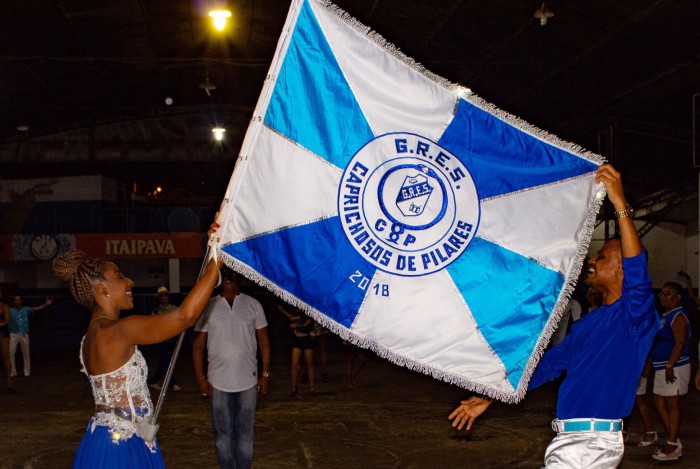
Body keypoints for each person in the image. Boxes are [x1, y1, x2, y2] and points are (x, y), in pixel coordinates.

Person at [448, 164, 659, 468]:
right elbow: (548, 366)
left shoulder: (636, 319)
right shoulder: (589, 323)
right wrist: (493, 396)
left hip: (590, 444)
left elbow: (637, 273)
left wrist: (620, 205)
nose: (592, 260)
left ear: (621, 269)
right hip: (573, 441)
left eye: (601, 257)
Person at [52, 241, 221, 468]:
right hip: (121, 447)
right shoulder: (120, 330)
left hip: (107, 439)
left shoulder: (91, 335)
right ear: (101, 289)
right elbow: (185, 317)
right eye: (120, 276)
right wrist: (217, 259)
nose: (130, 281)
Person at [193, 267, 271, 469]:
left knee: (246, 436)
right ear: (220, 278)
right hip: (217, 383)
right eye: (226, 273)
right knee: (222, 437)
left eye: (233, 274)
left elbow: (264, 343)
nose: (229, 277)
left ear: (241, 278)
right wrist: (201, 378)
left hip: (248, 382)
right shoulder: (208, 306)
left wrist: (265, 374)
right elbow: (198, 346)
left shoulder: (253, 305)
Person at [649, 281, 690, 461]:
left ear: (678, 297)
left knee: (672, 405)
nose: (663, 296)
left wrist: (670, 365)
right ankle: (674, 439)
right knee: (658, 402)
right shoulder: (665, 315)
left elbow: (679, 343)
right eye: (662, 293)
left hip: (674, 366)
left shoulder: (678, 315)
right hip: (662, 366)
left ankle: (672, 445)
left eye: (668, 293)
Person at [277, 303, 315, 397]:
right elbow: (292, 318)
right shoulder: (299, 315)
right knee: (294, 364)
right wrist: (282, 310)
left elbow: (307, 324)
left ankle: (312, 388)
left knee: (309, 364)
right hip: (297, 340)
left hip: (306, 340)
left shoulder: (309, 314)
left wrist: (296, 326)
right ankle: (294, 387)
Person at [9, 294, 52, 377]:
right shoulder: (10, 310)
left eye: (18, 299)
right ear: (14, 301)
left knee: (26, 353)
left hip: (24, 334)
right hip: (13, 334)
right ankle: (13, 371)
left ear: (21, 301)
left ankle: (27, 371)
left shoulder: (25, 309)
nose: (17, 301)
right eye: (15, 300)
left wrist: (46, 304)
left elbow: (36, 308)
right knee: (11, 353)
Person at [147, 286, 181, 392]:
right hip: (162, 341)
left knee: (168, 362)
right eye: (161, 295)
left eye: (165, 295)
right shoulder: (156, 311)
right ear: (159, 298)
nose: (164, 297)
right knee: (166, 362)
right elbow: (151, 325)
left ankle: (157, 381)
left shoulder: (174, 309)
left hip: (172, 340)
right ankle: (171, 383)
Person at [0, 287, 12, 391]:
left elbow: (7, 320)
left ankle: (9, 382)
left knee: (5, 356)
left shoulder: (4, 305)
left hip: (2, 332)